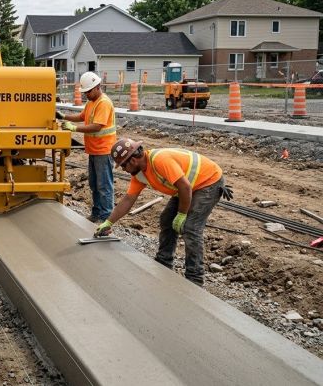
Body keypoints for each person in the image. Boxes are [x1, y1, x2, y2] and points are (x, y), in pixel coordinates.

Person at [95, 138, 233, 286]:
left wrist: (182, 214)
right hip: (187, 186)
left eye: (123, 166)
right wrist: (109, 222)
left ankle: (195, 279)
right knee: (167, 219)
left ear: (132, 161)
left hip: (208, 182)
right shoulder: (140, 174)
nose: (123, 170)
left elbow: (185, 187)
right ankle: (164, 261)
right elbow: (129, 199)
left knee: (191, 228)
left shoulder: (160, 161)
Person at [57, 71, 116, 223]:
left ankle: (106, 217)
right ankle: (97, 213)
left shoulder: (103, 103)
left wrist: (74, 128)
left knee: (104, 185)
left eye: (88, 91)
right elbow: (82, 117)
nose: (86, 95)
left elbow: (96, 126)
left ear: (97, 87)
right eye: (85, 92)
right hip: (94, 150)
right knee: (94, 184)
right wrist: (64, 116)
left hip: (103, 150)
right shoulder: (92, 102)